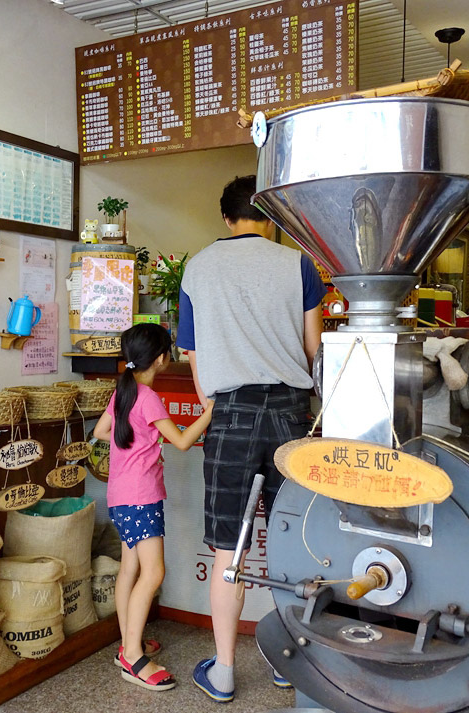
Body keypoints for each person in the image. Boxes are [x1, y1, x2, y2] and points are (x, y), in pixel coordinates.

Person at [176, 175, 326, 702]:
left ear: (225, 219)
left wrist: (219, 404)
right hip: (290, 413)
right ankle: (291, 663)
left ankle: (222, 670)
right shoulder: (298, 263)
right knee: (294, 542)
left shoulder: (196, 268)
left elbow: (194, 360)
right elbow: (313, 348)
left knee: (228, 552)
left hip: (231, 412)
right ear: (271, 217)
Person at [93, 323, 214, 692]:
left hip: (120, 495)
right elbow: (180, 441)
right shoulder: (148, 397)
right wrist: (209, 410)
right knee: (154, 572)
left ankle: (128, 643)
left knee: (130, 568)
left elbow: (101, 431)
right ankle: (133, 656)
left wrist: (138, 446)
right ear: (161, 358)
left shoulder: (124, 391)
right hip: (142, 498)